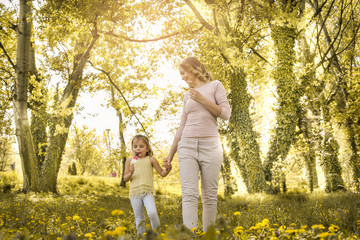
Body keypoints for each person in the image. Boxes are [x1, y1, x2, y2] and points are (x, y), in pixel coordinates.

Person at [164, 57, 231, 232]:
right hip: (187, 146)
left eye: (183, 73)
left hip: (211, 146)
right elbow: (182, 126)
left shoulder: (216, 85)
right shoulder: (187, 95)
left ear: (193, 69)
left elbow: (225, 114)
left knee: (209, 196)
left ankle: (209, 236)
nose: (182, 77)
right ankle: (190, 235)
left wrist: (203, 100)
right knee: (189, 195)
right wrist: (171, 154)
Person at [124, 134, 172, 236]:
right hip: (134, 193)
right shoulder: (129, 161)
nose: (138, 149)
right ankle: (140, 236)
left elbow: (162, 173)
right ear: (132, 148)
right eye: (135, 146)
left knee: (152, 213)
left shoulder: (151, 159)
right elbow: (125, 179)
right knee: (139, 218)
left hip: (147, 192)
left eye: (141, 146)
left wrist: (167, 169)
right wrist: (130, 173)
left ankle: (156, 234)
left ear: (147, 148)